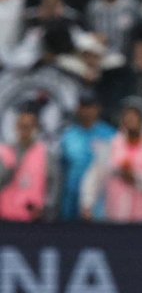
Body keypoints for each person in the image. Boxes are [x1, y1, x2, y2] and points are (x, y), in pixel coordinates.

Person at [84, 97, 142, 222]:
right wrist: (87, 203)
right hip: (116, 216)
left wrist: (138, 178)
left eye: (134, 115)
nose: (130, 119)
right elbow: (95, 174)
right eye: (126, 115)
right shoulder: (112, 144)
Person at [55, 92, 113, 220]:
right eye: (83, 106)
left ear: (98, 108)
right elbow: (60, 171)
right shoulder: (68, 136)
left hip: (100, 201)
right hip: (71, 201)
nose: (86, 111)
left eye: (90, 106)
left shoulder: (110, 135)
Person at [0, 106, 55, 221]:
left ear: (36, 128)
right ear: (16, 127)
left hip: (34, 218)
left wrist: (47, 208)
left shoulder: (45, 153)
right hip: (5, 215)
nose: (24, 130)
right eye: (21, 126)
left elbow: (53, 184)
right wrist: (9, 167)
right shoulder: (5, 152)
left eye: (28, 126)